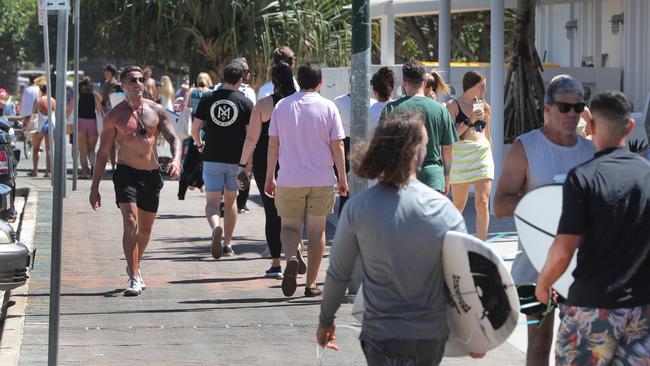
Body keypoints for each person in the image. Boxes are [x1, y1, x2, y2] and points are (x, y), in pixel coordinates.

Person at [317, 110, 485, 364]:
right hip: (430, 335)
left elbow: (339, 273)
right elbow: (462, 279)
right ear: (417, 153)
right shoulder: (443, 210)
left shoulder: (358, 207)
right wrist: (475, 333)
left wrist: (325, 321)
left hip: (380, 334)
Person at [535, 91, 650, 364]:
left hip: (592, 307)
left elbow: (563, 249)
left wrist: (544, 283)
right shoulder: (647, 175)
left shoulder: (584, 177)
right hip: (642, 310)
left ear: (592, 127)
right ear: (630, 127)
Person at [494, 75, 596, 366]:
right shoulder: (526, 147)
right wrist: (545, 208)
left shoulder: (591, 150)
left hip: (581, 268)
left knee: (579, 348)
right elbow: (500, 204)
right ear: (547, 109)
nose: (572, 114)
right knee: (539, 346)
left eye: (578, 108)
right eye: (565, 108)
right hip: (535, 265)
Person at [89, 65, 181, 297]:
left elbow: (174, 138)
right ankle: (135, 276)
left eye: (140, 79)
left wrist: (177, 159)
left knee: (146, 229)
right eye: (132, 80)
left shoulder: (156, 110)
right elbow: (102, 153)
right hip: (126, 173)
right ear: (123, 86)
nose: (138, 83)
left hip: (150, 175)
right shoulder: (114, 116)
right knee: (130, 222)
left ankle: (134, 263)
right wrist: (94, 187)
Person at [265, 61, 347, 297]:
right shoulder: (329, 107)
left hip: (290, 178)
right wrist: (342, 176)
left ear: (297, 81)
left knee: (289, 226)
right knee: (317, 231)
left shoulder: (282, 106)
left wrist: (270, 175)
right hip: (321, 178)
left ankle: (291, 256)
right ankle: (311, 284)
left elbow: (273, 143)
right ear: (321, 83)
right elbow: (337, 144)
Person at [237, 62, 302, 279]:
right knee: (293, 212)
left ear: (273, 81)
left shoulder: (264, 105)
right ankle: (296, 250)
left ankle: (276, 264)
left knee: (272, 214)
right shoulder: (300, 103)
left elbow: (251, 137)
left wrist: (242, 163)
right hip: (295, 160)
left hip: (267, 162)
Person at [191, 62, 253, 259]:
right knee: (231, 200)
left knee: (212, 202)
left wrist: (200, 145)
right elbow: (250, 136)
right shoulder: (245, 102)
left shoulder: (208, 98)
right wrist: (248, 163)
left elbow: (194, 130)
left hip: (212, 157)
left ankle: (216, 226)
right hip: (236, 160)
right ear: (241, 80)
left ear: (222, 77)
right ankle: (227, 243)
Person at [380, 59, 458, 194]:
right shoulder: (441, 110)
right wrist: (446, 178)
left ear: (404, 82)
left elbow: (384, 148)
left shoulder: (391, 109)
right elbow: (447, 150)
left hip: (400, 178)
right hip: (432, 178)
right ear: (425, 81)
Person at [445, 71, 493, 240]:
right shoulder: (453, 105)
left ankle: (482, 246)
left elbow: (487, 135)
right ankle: (452, 242)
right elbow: (450, 135)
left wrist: (490, 152)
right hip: (462, 155)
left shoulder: (485, 106)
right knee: (458, 205)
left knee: (483, 201)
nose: (484, 89)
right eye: (482, 85)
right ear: (471, 85)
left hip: (482, 153)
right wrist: (470, 119)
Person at [215, 57, 256, 213]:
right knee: (243, 170)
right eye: (246, 72)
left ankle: (223, 202)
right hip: (240, 139)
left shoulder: (218, 88)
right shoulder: (248, 92)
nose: (248, 75)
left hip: (220, 139)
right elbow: (251, 116)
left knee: (223, 173)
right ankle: (239, 204)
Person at [178, 72, 213, 200]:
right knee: (203, 157)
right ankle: (200, 182)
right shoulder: (211, 92)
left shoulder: (191, 91)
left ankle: (190, 181)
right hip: (206, 129)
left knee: (190, 157)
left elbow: (184, 108)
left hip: (192, 128)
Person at [77, 76, 104, 179]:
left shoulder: (78, 97)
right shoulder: (95, 96)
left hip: (81, 124)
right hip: (93, 124)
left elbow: (69, 110)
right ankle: (94, 171)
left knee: (83, 152)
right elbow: (101, 111)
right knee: (91, 150)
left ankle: (84, 173)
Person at [29, 82, 55, 177]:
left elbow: (34, 113)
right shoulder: (52, 100)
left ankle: (35, 171)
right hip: (50, 125)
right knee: (49, 150)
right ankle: (48, 172)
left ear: (40, 90)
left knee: (36, 149)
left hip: (39, 126)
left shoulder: (38, 100)